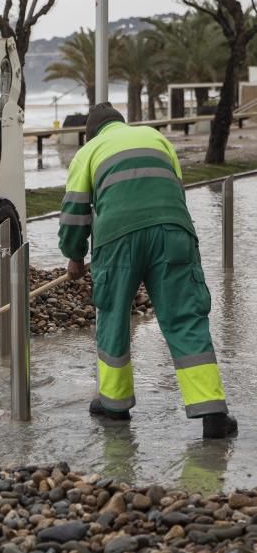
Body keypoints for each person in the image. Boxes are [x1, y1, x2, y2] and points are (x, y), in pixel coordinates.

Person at [58, 102, 238, 439]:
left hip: (116, 239)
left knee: (112, 317)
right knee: (185, 318)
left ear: (90, 133)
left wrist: (75, 257)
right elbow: (175, 190)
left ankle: (114, 405)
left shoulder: (88, 152)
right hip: (173, 233)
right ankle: (211, 410)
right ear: (121, 124)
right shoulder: (155, 138)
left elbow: (74, 214)